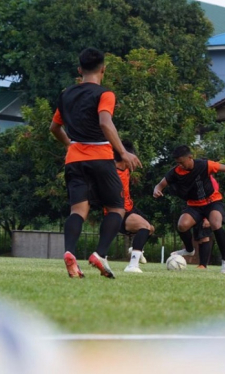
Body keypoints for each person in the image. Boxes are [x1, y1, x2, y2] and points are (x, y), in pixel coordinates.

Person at [50, 47, 141, 279]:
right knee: (116, 208)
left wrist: (70, 145)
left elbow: (54, 128)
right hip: (101, 156)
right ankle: (99, 254)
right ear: (103, 69)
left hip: (74, 159)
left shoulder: (66, 94)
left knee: (78, 211)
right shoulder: (105, 94)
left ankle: (69, 252)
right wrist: (123, 153)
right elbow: (105, 123)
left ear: (79, 70)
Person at [153, 145, 225, 274]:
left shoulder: (205, 165)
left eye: (182, 162)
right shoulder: (175, 172)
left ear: (190, 157)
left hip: (212, 201)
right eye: (177, 163)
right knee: (182, 225)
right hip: (194, 205)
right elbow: (160, 185)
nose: (180, 165)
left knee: (216, 223)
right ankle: (189, 249)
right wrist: (157, 190)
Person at [111, 141, 154, 273]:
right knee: (144, 227)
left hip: (130, 208)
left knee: (150, 229)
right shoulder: (112, 174)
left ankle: (135, 249)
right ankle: (132, 265)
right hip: (119, 212)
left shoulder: (126, 167)